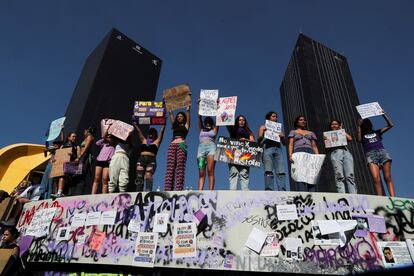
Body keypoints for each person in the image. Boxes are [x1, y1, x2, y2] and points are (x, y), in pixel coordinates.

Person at [357, 111, 395, 196]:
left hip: (382, 153)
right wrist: (359, 126)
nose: (365, 125)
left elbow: (390, 125)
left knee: (387, 177)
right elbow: (359, 139)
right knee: (376, 179)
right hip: (371, 155)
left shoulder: (377, 132)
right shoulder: (362, 136)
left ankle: (394, 199)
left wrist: (384, 115)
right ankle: (380, 199)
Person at [325, 119, 357, 194]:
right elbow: (327, 148)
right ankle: (342, 195)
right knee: (339, 176)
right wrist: (326, 141)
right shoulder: (327, 135)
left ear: (339, 125)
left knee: (350, 175)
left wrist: (341, 130)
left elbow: (350, 138)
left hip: (346, 152)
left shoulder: (341, 132)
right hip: (335, 153)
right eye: (332, 124)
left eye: (336, 124)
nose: (334, 125)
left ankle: (354, 195)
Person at [288, 115, 319, 192]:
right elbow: (291, 144)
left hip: (310, 152)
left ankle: (312, 194)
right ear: (297, 122)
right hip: (298, 152)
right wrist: (290, 155)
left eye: (304, 120)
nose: (303, 121)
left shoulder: (311, 133)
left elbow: (314, 146)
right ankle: (302, 194)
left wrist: (318, 157)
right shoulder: (293, 132)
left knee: (310, 175)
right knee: (300, 174)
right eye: (301, 120)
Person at [164, 103, 191, 191]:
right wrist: (168, 105)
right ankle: (168, 189)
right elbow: (171, 114)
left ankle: (179, 189)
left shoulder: (186, 126)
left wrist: (188, 110)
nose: (179, 117)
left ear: (183, 118)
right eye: (178, 116)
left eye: (181, 116)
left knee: (180, 166)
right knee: (170, 168)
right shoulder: (174, 126)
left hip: (181, 144)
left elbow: (188, 118)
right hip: (172, 145)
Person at [258, 111, 286, 191]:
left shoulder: (279, 129)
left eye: (276, 117)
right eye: (273, 116)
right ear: (268, 118)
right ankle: (269, 190)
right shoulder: (263, 127)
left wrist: (283, 137)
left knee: (281, 170)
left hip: (278, 149)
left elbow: (284, 143)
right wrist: (263, 132)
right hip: (267, 148)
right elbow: (259, 140)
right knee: (268, 170)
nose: (276, 118)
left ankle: (282, 189)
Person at [133, 123, 166, 192]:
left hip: (151, 160)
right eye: (150, 132)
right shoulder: (144, 140)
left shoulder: (157, 142)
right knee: (139, 177)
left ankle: (148, 192)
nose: (151, 134)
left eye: (153, 133)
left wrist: (163, 125)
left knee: (148, 175)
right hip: (141, 159)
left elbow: (161, 133)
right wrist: (135, 125)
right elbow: (139, 132)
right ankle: (138, 193)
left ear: (155, 135)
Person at [226, 115, 255, 190]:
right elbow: (227, 124)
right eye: (239, 120)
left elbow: (253, 142)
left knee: (244, 173)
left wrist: (246, 140)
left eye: (243, 120)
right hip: (234, 153)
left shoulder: (248, 132)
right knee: (233, 172)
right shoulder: (233, 130)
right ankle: (232, 192)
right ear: (237, 121)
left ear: (245, 122)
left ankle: (245, 192)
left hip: (245, 154)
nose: (241, 121)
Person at [52, 132, 79, 198]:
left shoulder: (76, 146)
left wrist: (72, 155)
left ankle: (60, 192)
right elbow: (58, 154)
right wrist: (54, 159)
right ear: (69, 137)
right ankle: (56, 193)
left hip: (70, 165)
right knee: (56, 178)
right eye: (73, 136)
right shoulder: (63, 146)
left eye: (75, 137)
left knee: (62, 177)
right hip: (61, 164)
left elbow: (78, 157)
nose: (74, 138)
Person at [197, 115, 219, 190]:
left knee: (210, 170)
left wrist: (218, 111)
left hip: (211, 147)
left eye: (209, 121)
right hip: (201, 148)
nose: (208, 123)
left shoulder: (214, 130)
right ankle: (200, 191)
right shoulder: (201, 129)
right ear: (204, 122)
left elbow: (218, 121)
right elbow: (199, 118)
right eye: (206, 121)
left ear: (212, 123)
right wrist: (199, 115)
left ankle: (211, 191)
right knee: (201, 172)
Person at [92, 126, 116, 194]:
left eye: (110, 137)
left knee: (105, 179)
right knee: (96, 178)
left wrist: (108, 130)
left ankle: (104, 195)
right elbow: (97, 143)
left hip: (107, 162)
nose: (108, 137)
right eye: (108, 136)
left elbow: (105, 137)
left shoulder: (113, 143)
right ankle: (92, 194)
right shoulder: (104, 143)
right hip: (99, 161)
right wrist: (104, 138)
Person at [72, 127, 95, 195]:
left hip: (84, 157)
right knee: (77, 174)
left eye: (84, 131)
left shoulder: (90, 137)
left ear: (87, 131)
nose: (83, 132)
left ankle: (78, 193)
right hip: (82, 157)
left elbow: (86, 148)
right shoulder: (86, 138)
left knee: (81, 175)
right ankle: (75, 192)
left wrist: (79, 157)